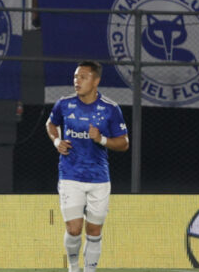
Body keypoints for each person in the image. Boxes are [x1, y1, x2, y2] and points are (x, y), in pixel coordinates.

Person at [45, 61, 129, 272]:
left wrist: (101, 140)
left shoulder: (110, 109)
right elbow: (51, 124)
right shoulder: (64, 104)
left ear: (96, 81)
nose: (77, 81)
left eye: (83, 77)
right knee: (74, 229)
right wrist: (57, 141)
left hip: (99, 179)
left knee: (93, 230)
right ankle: (74, 268)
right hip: (70, 176)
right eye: (75, 77)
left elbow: (124, 143)